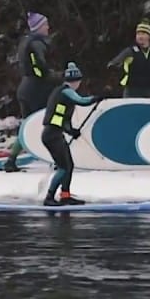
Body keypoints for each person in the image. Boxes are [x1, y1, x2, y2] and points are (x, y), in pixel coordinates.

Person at [40, 62, 102, 206]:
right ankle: (49, 198)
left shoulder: (60, 93)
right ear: (77, 81)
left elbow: (61, 119)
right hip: (52, 136)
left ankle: (65, 195)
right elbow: (82, 101)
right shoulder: (66, 91)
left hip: (55, 134)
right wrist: (95, 98)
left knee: (69, 165)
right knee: (63, 167)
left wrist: (71, 131)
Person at [4, 11, 57, 172]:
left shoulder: (25, 41)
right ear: (39, 27)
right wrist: (59, 77)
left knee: (27, 125)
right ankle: (57, 159)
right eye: (45, 24)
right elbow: (41, 70)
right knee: (50, 123)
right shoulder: (36, 43)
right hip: (37, 89)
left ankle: (11, 160)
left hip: (24, 87)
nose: (48, 27)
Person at [106, 18, 150, 101]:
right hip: (131, 92)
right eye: (138, 33)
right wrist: (110, 85)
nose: (140, 36)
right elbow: (112, 64)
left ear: (149, 36)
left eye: (143, 33)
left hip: (148, 92)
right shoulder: (130, 51)